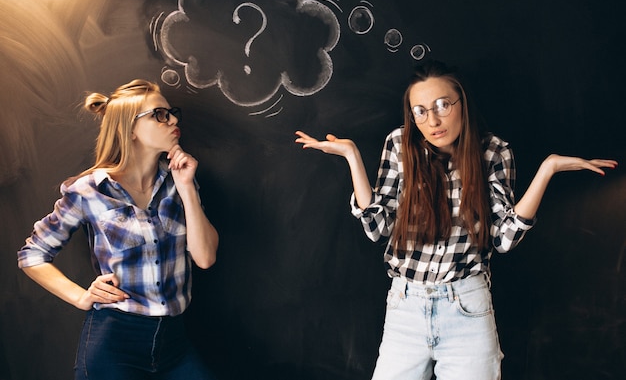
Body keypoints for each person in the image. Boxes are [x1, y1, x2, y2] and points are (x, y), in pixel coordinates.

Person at [295, 60, 617, 380]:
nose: (432, 120)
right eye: (419, 111)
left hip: (467, 309)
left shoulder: (493, 152)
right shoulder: (399, 145)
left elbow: (503, 239)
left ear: (461, 102)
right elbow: (378, 229)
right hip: (405, 308)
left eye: (442, 105)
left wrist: (547, 169)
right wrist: (352, 156)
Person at [17, 79, 219, 380]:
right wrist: (80, 297)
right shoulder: (89, 190)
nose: (173, 119)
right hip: (115, 343)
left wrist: (187, 187)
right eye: (160, 114)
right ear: (131, 129)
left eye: (172, 113)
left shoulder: (178, 183)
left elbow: (204, 258)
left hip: (174, 343)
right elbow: (32, 254)